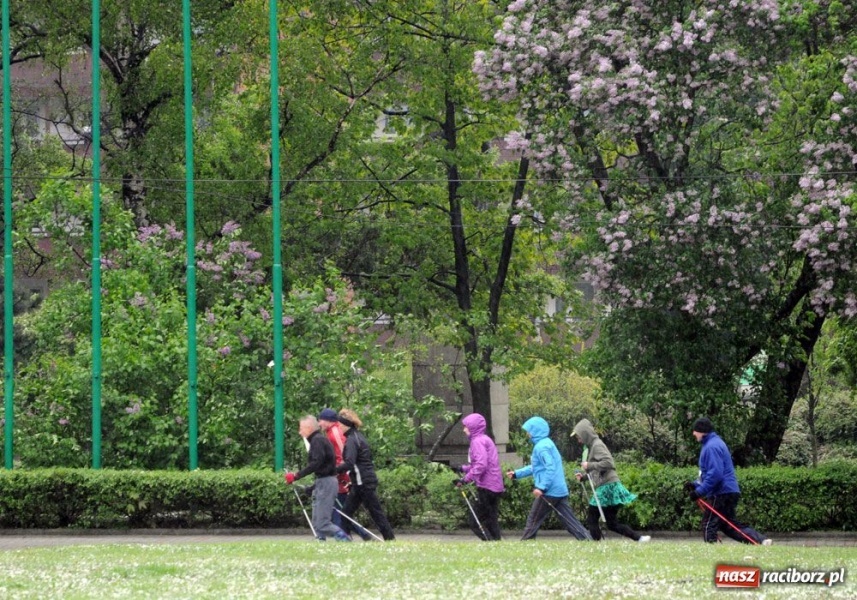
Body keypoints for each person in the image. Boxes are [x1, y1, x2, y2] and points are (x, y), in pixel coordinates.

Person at [686, 417, 771, 546]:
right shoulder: (714, 443)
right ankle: (761, 540)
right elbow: (709, 473)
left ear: (703, 431)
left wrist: (699, 492)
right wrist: (695, 485)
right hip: (730, 490)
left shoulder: (711, 447)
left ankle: (711, 550)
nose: (694, 433)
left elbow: (715, 474)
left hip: (721, 492)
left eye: (696, 430)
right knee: (729, 525)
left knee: (709, 524)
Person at [506, 416, 591, 541]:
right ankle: (587, 540)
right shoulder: (547, 443)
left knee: (533, 519)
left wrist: (541, 487)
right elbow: (537, 467)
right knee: (570, 522)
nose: (527, 433)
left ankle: (526, 542)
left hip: (549, 491)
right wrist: (517, 474)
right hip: (559, 489)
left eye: (529, 430)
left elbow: (549, 468)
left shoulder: (541, 447)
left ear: (535, 431)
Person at [572, 418, 651, 543]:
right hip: (610, 485)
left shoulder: (597, 445)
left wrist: (589, 465)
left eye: (579, 436)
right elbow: (597, 469)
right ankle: (639, 538)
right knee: (612, 523)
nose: (578, 440)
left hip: (607, 487)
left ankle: (595, 543)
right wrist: (584, 477)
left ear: (585, 434)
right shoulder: (593, 446)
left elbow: (608, 463)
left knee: (592, 517)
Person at [284, 415, 351, 542]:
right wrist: (313, 487)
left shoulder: (317, 441)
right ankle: (320, 543)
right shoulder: (318, 440)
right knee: (316, 521)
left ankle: (344, 539)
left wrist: (296, 475)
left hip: (327, 483)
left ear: (309, 428)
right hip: (322, 481)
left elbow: (316, 463)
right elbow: (321, 465)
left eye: (301, 428)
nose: (300, 432)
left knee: (322, 523)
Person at [336, 408, 396, 541]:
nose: (338, 428)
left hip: (363, 482)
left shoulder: (352, 440)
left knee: (375, 512)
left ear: (345, 425)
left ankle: (390, 539)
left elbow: (350, 463)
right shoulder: (358, 437)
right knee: (345, 513)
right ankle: (344, 541)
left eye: (339, 425)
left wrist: (333, 470)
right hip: (359, 482)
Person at [454, 413, 505, 541]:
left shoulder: (477, 442)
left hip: (487, 486)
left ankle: (490, 543)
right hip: (495, 486)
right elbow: (482, 464)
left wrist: (464, 480)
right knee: (491, 520)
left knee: (474, 521)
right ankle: (497, 544)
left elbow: (481, 465)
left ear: (473, 427)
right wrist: (462, 469)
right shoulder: (485, 439)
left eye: (466, 427)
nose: (464, 430)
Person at [318, 408, 352, 529]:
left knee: (337, 509)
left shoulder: (335, 433)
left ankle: (347, 537)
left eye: (320, 420)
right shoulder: (331, 432)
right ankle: (352, 536)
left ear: (328, 421)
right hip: (338, 475)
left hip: (342, 477)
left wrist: (336, 472)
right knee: (338, 509)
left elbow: (345, 455)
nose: (319, 423)